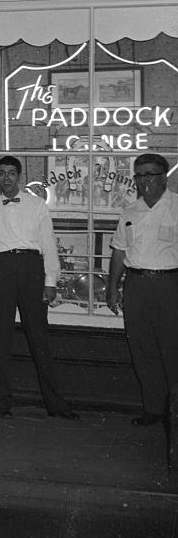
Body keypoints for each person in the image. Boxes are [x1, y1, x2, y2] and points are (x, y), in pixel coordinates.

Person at [0, 156, 79, 419]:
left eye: (12, 173)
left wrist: (50, 282)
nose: (7, 178)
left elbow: (49, 245)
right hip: (1, 270)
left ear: (19, 177)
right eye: (2, 173)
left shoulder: (36, 206)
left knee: (39, 338)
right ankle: (1, 403)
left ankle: (56, 405)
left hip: (32, 270)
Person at [106, 153, 178, 427]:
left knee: (172, 349)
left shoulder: (176, 207)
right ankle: (154, 409)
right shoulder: (130, 212)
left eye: (151, 175)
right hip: (136, 285)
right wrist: (112, 288)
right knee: (142, 347)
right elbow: (119, 251)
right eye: (140, 176)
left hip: (169, 285)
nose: (144, 181)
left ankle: (174, 412)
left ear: (164, 177)